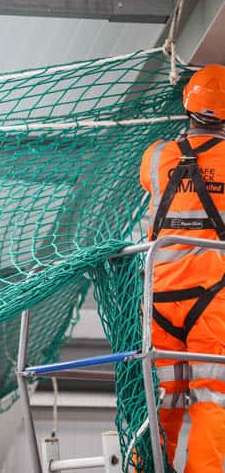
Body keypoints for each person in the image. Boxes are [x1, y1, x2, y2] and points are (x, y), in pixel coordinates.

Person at [139, 64, 225, 472]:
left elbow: (149, 182)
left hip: (158, 298)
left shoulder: (156, 156)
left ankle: (145, 467)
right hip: (212, 298)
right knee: (213, 395)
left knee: (162, 396)